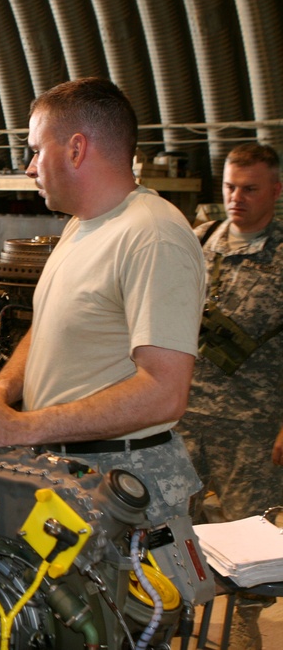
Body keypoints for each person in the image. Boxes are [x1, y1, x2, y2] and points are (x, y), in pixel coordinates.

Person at [0, 78, 206, 528]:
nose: (29, 167)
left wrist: (21, 427)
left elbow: (165, 393)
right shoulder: (83, 225)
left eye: (37, 150)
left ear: (77, 149)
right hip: (68, 471)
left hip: (122, 484)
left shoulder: (152, 236)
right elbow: (46, 331)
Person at [178, 143, 283, 649]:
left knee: (249, 548)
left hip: (252, 426)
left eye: (250, 188)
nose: (236, 198)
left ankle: (244, 633)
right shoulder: (198, 242)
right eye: (229, 187)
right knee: (171, 529)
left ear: (276, 191)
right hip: (185, 417)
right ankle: (172, 622)